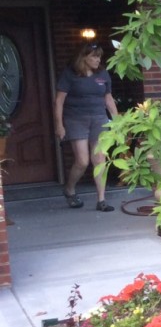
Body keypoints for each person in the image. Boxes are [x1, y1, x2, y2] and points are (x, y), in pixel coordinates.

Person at [53, 43, 119, 212]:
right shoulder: (70, 74)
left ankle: (101, 200)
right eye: (94, 56)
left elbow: (108, 98)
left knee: (99, 159)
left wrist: (118, 121)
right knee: (82, 161)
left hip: (99, 118)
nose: (98, 60)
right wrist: (59, 125)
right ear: (84, 57)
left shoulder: (102, 74)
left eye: (99, 56)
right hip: (76, 119)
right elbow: (59, 101)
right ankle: (69, 189)